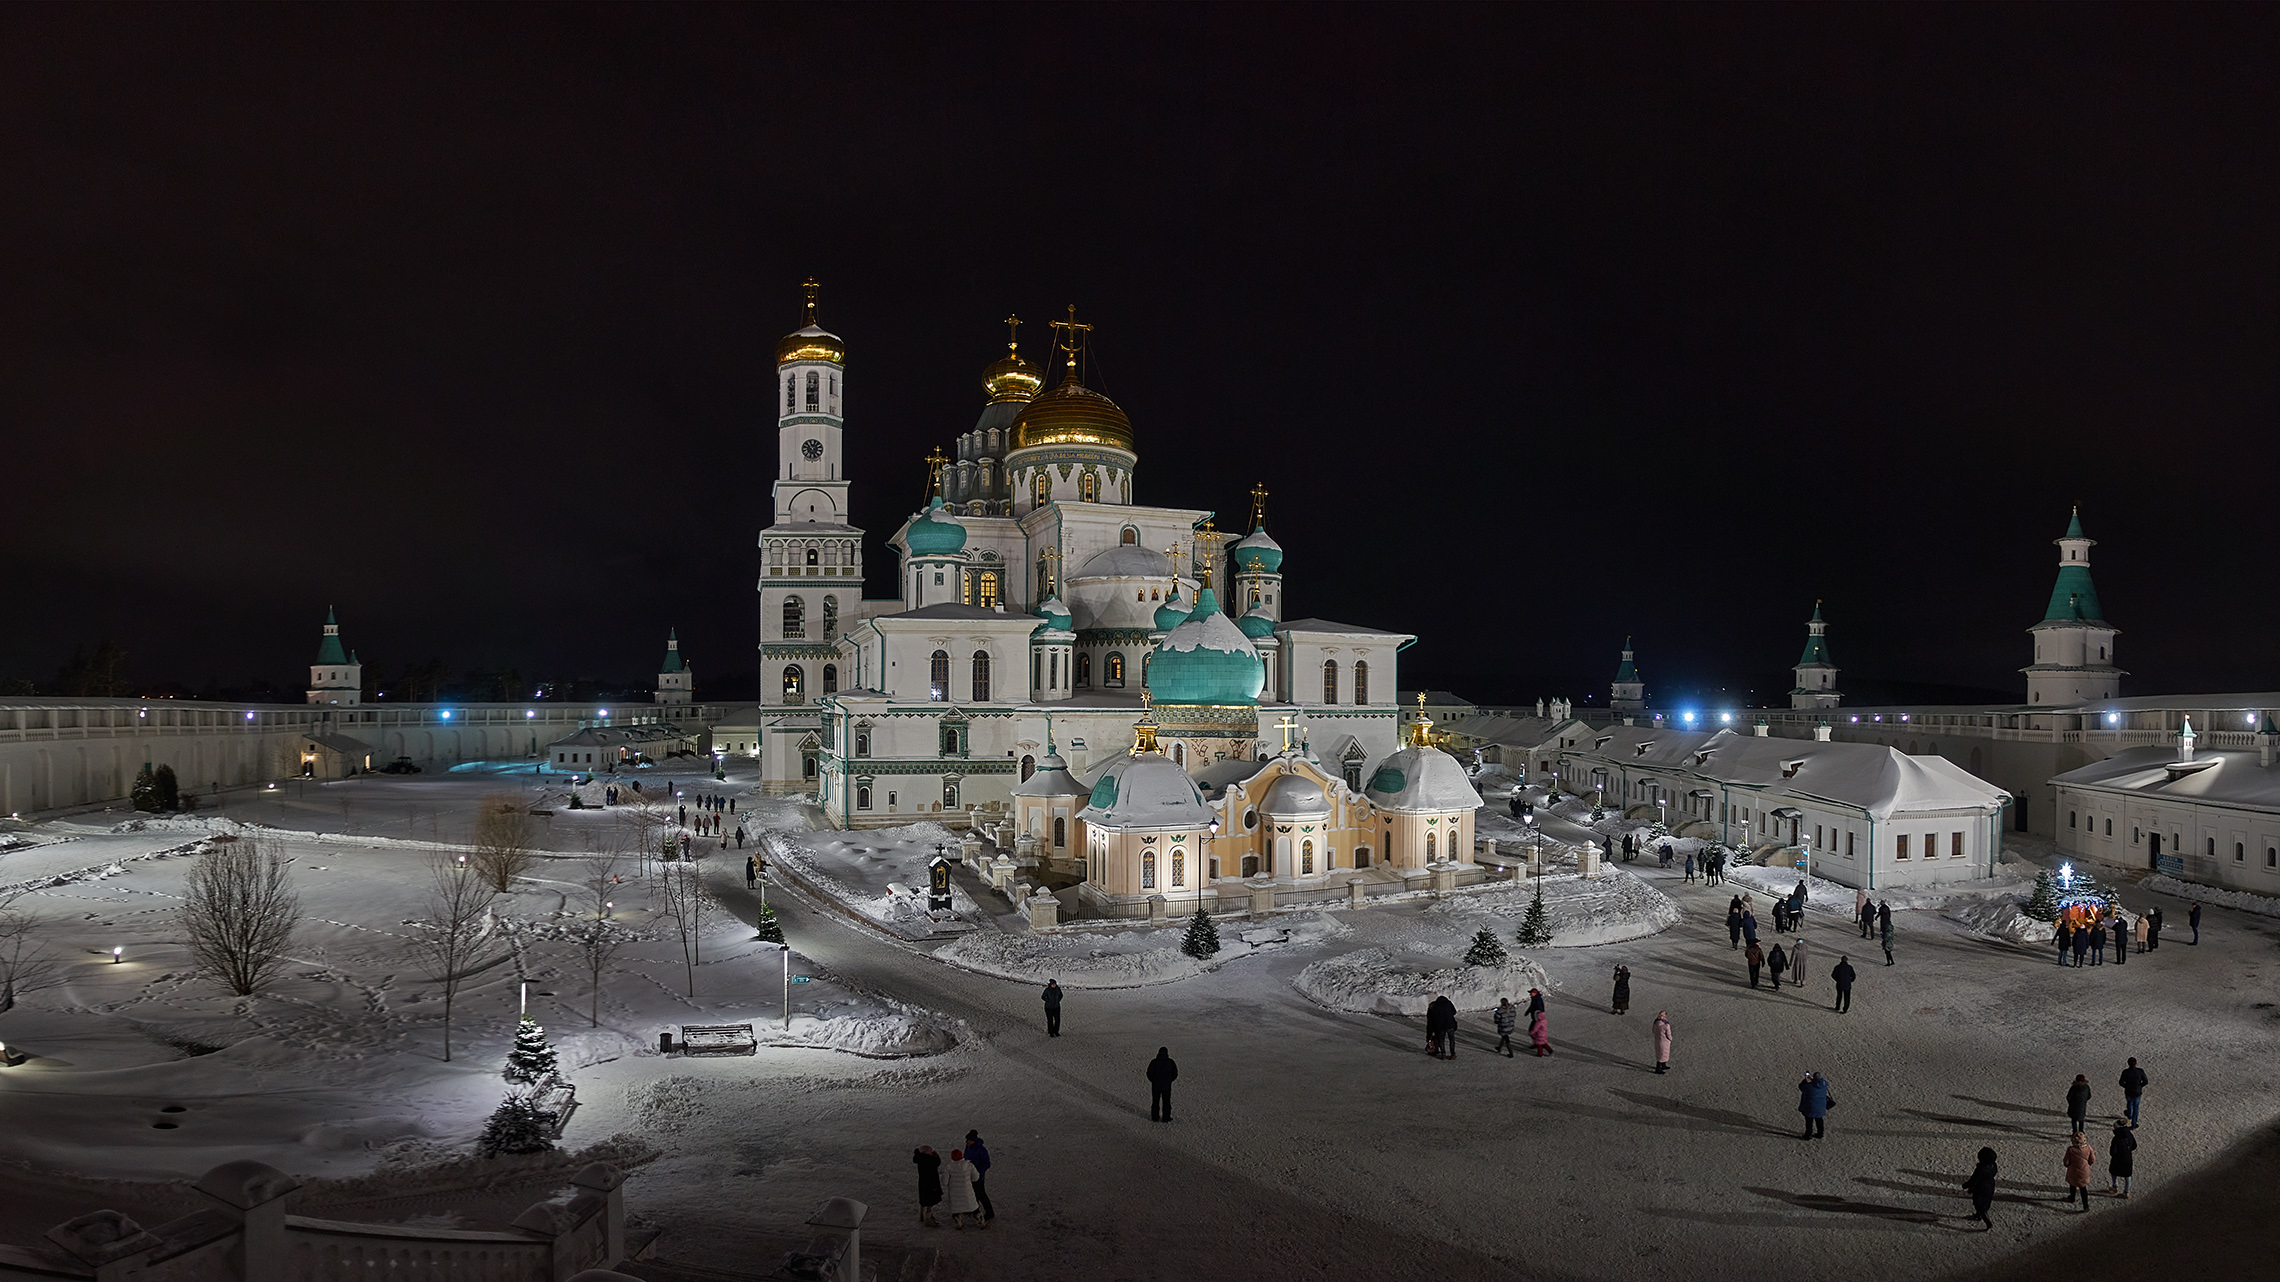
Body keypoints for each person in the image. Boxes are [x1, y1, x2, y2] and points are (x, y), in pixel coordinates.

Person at [943, 1147, 981, 1230]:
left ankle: (958, 1220)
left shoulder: (948, 1167)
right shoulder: (969, 1165)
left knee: (957, 1208)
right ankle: (978, 1217)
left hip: (955, 1193)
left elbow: (944, 1182)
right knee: (972, 1206)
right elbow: (976, 1177)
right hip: (967, 1191)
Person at [1962, 1146, 1999, 1228]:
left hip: (1980, 1188)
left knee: (1979, 1204)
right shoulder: (1993, 1165)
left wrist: (1966, 1185)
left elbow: (1974, 1179)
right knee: (1985, 1202)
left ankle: (1986, 1221)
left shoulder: (1981, 1169)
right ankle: (1978, 1215)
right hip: (1990, 1186)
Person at [964, 1130, 995, 1223]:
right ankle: (974, 1209)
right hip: (969, 1175)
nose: (967, 1142)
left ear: (973, 1140)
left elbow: (987, 1164)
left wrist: (978, 1172)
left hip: (978, 1177)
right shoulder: (968, 1147)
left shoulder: (981, 1150)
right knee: (972, 1193)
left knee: (981, 1194)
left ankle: (990, 1212)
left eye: (968, 1140)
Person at [2063, 1132, 2095, 1211]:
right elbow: (2092, 1159)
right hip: (2084, 1171)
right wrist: (2088, 1164)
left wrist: (2067, 1165)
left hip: (2073, 1170)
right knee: (2083, 1188)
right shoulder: (2088, 1148)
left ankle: (2072, 1198)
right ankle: (2085, 1206)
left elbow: (2066, 1161)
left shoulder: (2071, 1149)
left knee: (2072, 1184)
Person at [912, 1145, 943, 1227]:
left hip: (923, 1183)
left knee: (923, 1199)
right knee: (930, 1201)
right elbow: (937, 1163)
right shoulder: (929, 1160)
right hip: (931, 1184)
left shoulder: (920, 1159)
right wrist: (936, 1157)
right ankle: (928, 1218)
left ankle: (921, 1216)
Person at [1146, 1046, 1178, 1121]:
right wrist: (1169, 1081)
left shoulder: (1154, 1062)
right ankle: (1166, 1117)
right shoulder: (1170, 1062)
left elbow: (1149, 1073)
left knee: (1155, 1102)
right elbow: (1175, 1074)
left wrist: (1153, 1081)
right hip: (1166, 1086)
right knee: (1166, 1102)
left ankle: (1155, 1117)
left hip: (1156, 1086)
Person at [1797, 1071, 1831, 1140]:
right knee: (1819, 1120)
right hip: (1821, 1107)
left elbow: (1801, 1087)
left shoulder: (1809, 1086)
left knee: (1809, 1120)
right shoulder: (1824, 1085)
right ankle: (1820, 1133)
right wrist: (1813, 1079)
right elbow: (1817, 1084)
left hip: (1810, 1107)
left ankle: (1808, 1135)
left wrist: (1805, 1081)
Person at [2108, 1120, 2137, 1198]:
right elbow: (2134, 1146)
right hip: (2127, 1158)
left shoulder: (2116, 1139)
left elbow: (2112, 1152)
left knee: (2113, 1172)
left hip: (2117, 1159)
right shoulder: (2129, 1135)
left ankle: (2115, 1186)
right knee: (2127, 1175)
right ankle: (2126, 1191)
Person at [1425, 994, 1458, 1059]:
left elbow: (1433, 1018)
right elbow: (1454, 1012)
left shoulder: (1436, 1006)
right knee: (1451, 1040)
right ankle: (1453, 1053)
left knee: (1441, 1040)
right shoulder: (1448, 1003)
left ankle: (1443, 1054)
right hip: (1450, 1024)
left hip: (1441, 1026)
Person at [2119, 1058, 2148, 1124]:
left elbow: (2121, 1083)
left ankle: (2129, 1115)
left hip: (2129, 1091)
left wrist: (2127, 1087)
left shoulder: (2125, 1072)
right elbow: (2145, 1081)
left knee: (2129, 1103)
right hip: (2137, 1092)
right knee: (2136, 1106)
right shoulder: (2140, 1071)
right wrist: (2139, 1086)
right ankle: (2134, 1122)